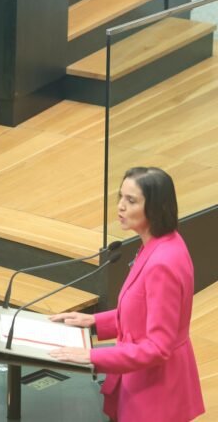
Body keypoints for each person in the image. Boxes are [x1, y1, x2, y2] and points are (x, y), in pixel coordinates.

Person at [49, 167, 205, 422]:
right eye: (120, 197)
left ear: (155, 208)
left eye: (131, 200)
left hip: (155, 395)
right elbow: (142, 312)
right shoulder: (160, 243)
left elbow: (157, 347)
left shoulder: (162, 263)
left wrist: (91, 356)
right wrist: (94, 321)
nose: (120, 206)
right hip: (146, 382)